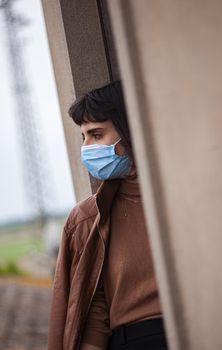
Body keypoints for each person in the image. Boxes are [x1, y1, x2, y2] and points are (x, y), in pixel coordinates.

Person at [47, 81, 168, 350]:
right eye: (84, 137)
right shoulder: (86, 219)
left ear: (131, 131)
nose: (87, 147)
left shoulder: (187, 196)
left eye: (97, 134)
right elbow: (94, 308)